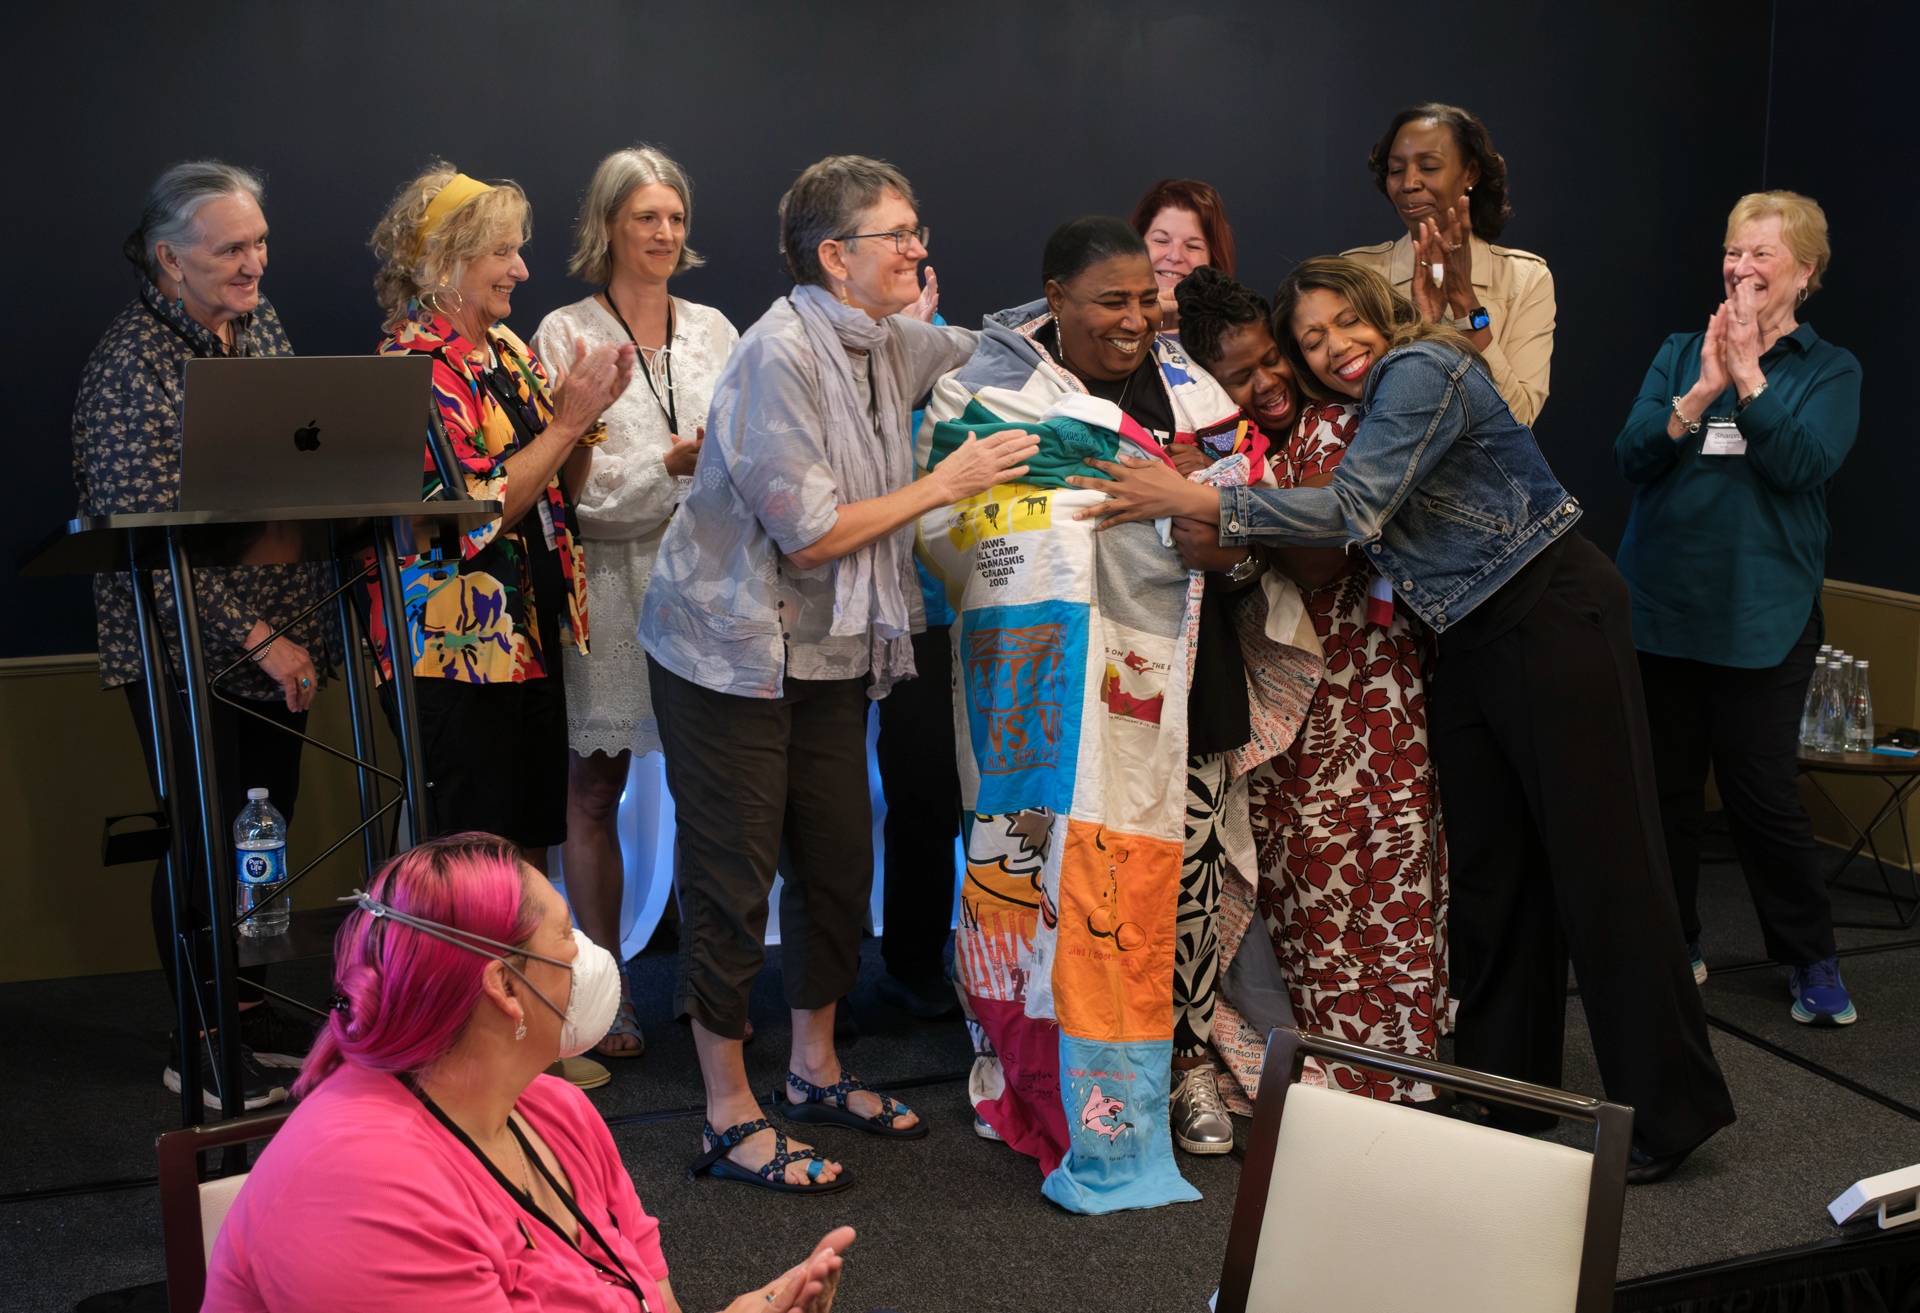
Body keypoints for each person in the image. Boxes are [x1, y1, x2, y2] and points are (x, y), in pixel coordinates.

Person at [1072, 256, 1737, 1183]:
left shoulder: (1422, 367)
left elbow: (1352, 509)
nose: (1335, 348)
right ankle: (1506, 1088)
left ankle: (1673, 1111)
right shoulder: (1354, 409)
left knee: (1605, 867)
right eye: (1313, 339)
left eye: (1346, 322)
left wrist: (1197, 496)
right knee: (1495, 878)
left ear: (1381, 313)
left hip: (1552, 614)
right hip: (1466, 635)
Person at [639, 155, 1035, 1191]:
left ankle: (814, 1071)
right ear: (833, 255)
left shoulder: (885, 340)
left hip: (828, 651)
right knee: (732, 881)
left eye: (917, 229)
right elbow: (810, 535)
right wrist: (946, 481)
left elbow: (990, 353)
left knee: (836, 863)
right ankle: (729, 1109)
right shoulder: (777, 355)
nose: (918, 249)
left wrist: (1102, 316)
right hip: (728, 652)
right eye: (896, 234)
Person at [922, 218, 1262, 1161]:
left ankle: (1182, 1062)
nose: (1136, 319)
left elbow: (1245, 518)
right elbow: (950, 525)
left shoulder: (1193, 390)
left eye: (1147, 299)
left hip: (1179, 665)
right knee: (1027, 872)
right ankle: (1025, 1058)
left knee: (1182, 871)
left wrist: (1205, 513)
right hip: (1038, 681)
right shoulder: (986, 389)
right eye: (1112, 300)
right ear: (1055, 298)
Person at [201, 832, 856, 1312]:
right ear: (505, 988)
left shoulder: (554, 1111)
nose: (589, 957)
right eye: (568, 935)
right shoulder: (364, 1192)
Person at [72, 159, 342, 1111]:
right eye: (231, 248)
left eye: (260, 242)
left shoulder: (259, 327)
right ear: (167, 259)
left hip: (284, 642)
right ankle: (200, 1041)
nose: (254, 263)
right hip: (187, 651)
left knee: (258, 837)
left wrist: (299, 632)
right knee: (202, 840)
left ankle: (249, 1013)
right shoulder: (130, 368)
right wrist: (263, 637)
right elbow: (152, 544)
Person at [367, 164, 635, 1089]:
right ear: (443, 260)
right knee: (467, 859)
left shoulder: (505, 351)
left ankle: (518, 1047)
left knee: (523, 847)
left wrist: (583, 427)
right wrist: (567, 423)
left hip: (525, 636)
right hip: (454, 651)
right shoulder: (412, 368)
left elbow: (558, 492)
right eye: (501, 252)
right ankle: (452, 1052)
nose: (521, 269)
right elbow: (473, 515)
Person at [1172, 267, 1448, 1101]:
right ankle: (1318, 1075)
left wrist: (1228, 516)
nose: (1267, 382)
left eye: (1272, 358)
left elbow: (1325, 557)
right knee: (1303, 893)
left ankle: (1394, 1075)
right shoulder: (1230, 450)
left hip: (1370, 691)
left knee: (1385, 873)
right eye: (1240, 376)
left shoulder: (1340, 425)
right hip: (1281, 708)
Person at [1614, 191, 1861, 1025]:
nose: (1741, 267)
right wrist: (1698, 394)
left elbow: (1801, 465)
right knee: (1665, 794)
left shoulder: (1831, 369)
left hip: (1764, 618)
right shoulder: (1678, 351)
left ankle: (1810, 956)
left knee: (1763, 800)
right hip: (1661, 609)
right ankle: (1674, 938)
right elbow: (1631, 455)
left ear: (1805, 271)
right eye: (1733, 251)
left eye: (1762, 253)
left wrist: (1750, 377)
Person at [531, 147, 739, 1062]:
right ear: (608, 225)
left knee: (714, 793)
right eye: (646, 217)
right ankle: (604, 991)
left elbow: (747, 454)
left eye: (676, 217)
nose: (664, 233)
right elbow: (575, 495)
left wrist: (697, 471)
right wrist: (672, 466)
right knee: (592, 787)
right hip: (606, 590)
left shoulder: (716, 331)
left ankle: (709, 984)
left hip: (709, 584)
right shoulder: (565, 333)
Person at [1343, 103, 1555, 427]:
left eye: (1428, 167)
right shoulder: (1358, 274)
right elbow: (1347, 410)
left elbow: (1517, 420)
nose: (1408, 183)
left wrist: (1465, 303)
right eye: (1396, 170)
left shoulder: (1525, 279)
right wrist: (1419, 329)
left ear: (1471, 173)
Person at [1128, 179, 1236, 338]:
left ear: (1213, 261)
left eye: (1193, 246)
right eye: (1161, 241)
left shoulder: (1233, 340)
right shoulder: (1100, 328)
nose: (1175, 256)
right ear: (1135, 245)